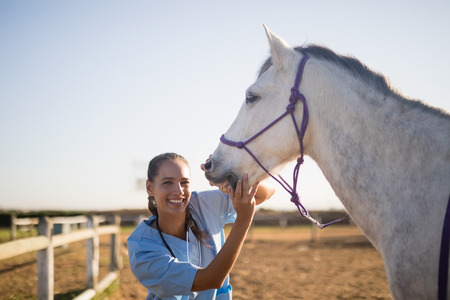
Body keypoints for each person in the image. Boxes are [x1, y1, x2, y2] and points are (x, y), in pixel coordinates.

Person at [127, 152, 275, 300]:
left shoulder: (202, 204)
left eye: (184, 182)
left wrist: (230, 177)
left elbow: (267, 192)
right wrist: (243, 221)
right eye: (167, 182)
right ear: (149, 187)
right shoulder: (142, 248)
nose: (179, 191)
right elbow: (211, 279)